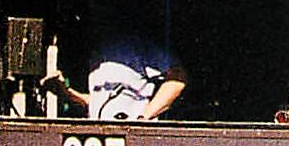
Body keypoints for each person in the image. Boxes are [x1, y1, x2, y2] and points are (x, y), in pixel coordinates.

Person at [44, 39, 185, 120]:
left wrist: (143, 118)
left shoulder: (138, 46)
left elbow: (177, 79)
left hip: (135, 140)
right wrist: (66, 92)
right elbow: (97, 101)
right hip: (100, 140)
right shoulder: (97, 56)